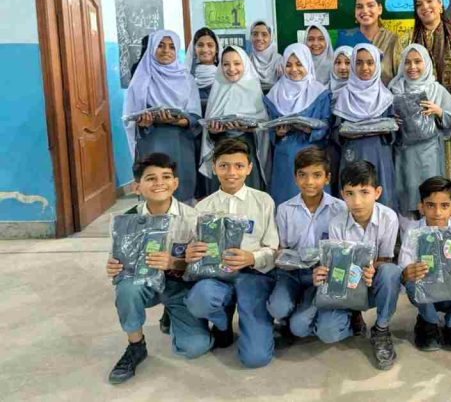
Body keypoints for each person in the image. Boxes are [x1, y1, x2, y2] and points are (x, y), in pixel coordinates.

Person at [106, 153, 213, 384]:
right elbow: (117, 262)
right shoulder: (127, 220)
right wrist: (113, 266)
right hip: (143, 283)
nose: (159, 183)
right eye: (151, 178)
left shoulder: (193, 217)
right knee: (126, 289)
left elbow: (202, 268)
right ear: (137, 186)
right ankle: (136, 346)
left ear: (175, 183)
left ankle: (171, 314)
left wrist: (175, 262)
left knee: (195, 347)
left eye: (166, 177)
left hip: (180, 285)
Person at [184, 138, 279, 369]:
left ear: (249, 168)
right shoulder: (202, 208)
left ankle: (253, 322)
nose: (231, 173)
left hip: (253, 276)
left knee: (256, 358)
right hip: (216, 277)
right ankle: (223, 322)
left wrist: (252, 257)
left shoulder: (263, 201)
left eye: (238, 166)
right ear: (214, 167)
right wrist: (191, 254)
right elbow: (193, 253)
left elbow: (273, 249)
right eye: (224, 165)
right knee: (199, 301)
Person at [312, 161, 401, 370]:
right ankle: (353, 314)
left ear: (377, 192)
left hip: (373, 276)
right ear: (342, 194)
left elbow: (386, 258)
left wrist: (372, 269)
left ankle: (381, 328)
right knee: (327, 332)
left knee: (391, 272)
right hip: (348, 281)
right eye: (350, 193)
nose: (357, 201)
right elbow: (337, 264)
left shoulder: (388, 217)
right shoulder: (336, 223)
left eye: (364, 192)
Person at [267, 147, 347, 341]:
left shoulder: (339, 208)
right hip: (292, 273)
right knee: (277, 307)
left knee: (300, 327)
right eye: (303, 175)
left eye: (317, 175)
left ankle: (339, 317)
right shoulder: (285, 209)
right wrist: (282, 258)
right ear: (295, 177)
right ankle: (293, 311)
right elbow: (283, 248)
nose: (309, 182)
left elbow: (343, 249)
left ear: (327, 178)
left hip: (322, 274)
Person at [399, 177, 451, 352]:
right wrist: (408, 272)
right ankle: (428, 322)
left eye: (444, 206)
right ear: (421, 207)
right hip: (426, 292)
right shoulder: (414, 231)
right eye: (430, 205)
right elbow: (403, 270)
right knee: (411, 281)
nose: (437, 212)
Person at [389, 43, 451, 236]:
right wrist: (391, 120)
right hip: (403, 155)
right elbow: (385, 119)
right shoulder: (394, 89)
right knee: (406, 197)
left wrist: (439, 111)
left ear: (426, 63)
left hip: (429, 154)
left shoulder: (436, 89)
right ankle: (409, 245)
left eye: (418, 61)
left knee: (431, 195)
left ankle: (433, 242)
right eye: (408, 62)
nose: (412, 67)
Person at [123, 29, 202, 203]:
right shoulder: (141, 80)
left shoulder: (186, 79)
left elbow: (196, 116)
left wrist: (178, 120)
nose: (166, 50)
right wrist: (142, 122)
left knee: (180, 187)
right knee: (155, 186)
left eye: (172, 47)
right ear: (152, 48)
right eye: (161, 45)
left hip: (181, 142)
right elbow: (130, 117)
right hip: (152, 142)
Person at [264, 44, 332, 205]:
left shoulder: (320, 92)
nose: (294, 69)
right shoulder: (274, 94)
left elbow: (327, 125)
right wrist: (277, 134)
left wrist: (311, 130)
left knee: (314, 201)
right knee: (286, 203)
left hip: (313, 155)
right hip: (284, 158)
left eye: (299, 64)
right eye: (288, 64)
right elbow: (269, 130)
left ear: (308, 64)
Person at [333, 43, 397, 210]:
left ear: (377, 65)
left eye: (370, 62)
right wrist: (344, 134)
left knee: (380, 203)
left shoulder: (386, 97)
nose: (364, 68)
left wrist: (388, 129)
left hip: (379, 157)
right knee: (353, 202)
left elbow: (395, 133)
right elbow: (334, 132)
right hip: (352, 155)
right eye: (359, 62)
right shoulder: (344, 96)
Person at [200, 46, 270, 192]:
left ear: (245, 64)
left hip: (248, 152)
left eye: (237, 63)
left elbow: (264, 128)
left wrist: (252, 128)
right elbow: (208, 134)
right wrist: (214, 131)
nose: (231, 68)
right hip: (221, 154)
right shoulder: (217, 90)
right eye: (226, 64)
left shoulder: (254, 90)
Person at [336, 0, 404, 86]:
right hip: (350, 98)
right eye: (359, 7)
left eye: (370, 5)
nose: (365, 11)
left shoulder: (392, 40)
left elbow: (400, 76)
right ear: (355, 12)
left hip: (386, 98)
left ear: (379, 9)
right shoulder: (345, 39)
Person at [185, 27, 220, 199]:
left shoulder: (225, 77)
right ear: (194, 49)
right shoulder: (184, 79)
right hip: (192, 138)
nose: (205, 49)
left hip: (216, 137)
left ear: (217, 49)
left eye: (210, 45)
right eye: (200, 45)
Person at [329, 45, 353, 196]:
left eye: (348, 62)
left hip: (355, 147)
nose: (342, 67)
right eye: (338, 62)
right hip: (333, 150)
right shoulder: (325, 91)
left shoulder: (363, 91)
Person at [248, 21, 282, 93]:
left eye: (264, 34)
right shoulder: (246, 61)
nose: (259, 38)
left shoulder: (280, 61)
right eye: (255, 34)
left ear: (271, 37)